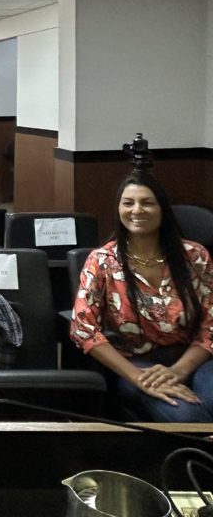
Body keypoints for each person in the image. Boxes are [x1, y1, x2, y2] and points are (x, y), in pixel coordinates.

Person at [71, 172, 213, 422]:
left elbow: (210, 324)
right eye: (128, 203)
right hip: (135, 364)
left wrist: (179, 370)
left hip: (193, 359)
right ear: (118, 210)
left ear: (162, 209)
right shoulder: (102, 261)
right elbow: (84, 329)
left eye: (147, 202)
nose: (137, 210)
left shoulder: (195, 256)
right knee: (189, 416)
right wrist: (138, 378)